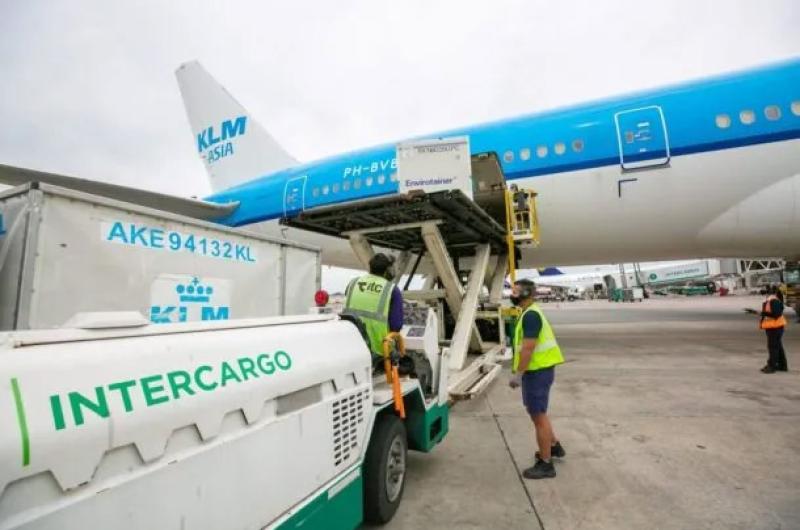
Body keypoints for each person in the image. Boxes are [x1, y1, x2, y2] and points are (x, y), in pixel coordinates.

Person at [508, 279, 565, 479]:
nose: (511, 295)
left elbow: (528, 349)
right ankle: (554, 445)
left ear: (525, 294)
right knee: (539, 413)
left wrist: (518, 375)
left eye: (515, 291)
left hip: (536, 372)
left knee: (538, 416)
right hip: (541, 370)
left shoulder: (531, 315)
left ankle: (546, 463)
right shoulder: (529, 312)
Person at [344, 253, 404, 361]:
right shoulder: (392, 290)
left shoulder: (353, 283)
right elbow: (396, 325)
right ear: (387, 271)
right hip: (378, 351)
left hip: (351, 345)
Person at [760, 286, 788, 373]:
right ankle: (782, 366)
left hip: (774, 327)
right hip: (775, 327)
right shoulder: (772, 300)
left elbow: (776, 314)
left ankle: (772, 366)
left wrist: (762, 313)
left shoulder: (773, 301)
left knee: (773, 347)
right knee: (778, 346)